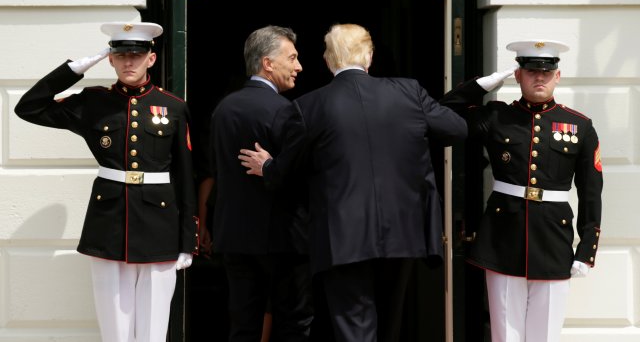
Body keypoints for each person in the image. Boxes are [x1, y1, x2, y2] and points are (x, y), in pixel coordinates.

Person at [238, 23, 468, 342]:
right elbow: (457, 129)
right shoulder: (409, 92)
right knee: (390, 325)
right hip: (402, 233)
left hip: (343, 237)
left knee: (354, 330)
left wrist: (267, 166)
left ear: (329, 60)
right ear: (369, 57)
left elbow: (286, 172)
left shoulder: (310, 106)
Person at [14, 22, 199, 342]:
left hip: (160, 227)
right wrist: (72, 70)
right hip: (109, 225)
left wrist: (188, 240)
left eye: (136, 56)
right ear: (110, 60)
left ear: (150, 59)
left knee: (154, 330)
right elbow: (28, 107)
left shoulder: (173, 107)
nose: (129, 62)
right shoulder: (92, 102)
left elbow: (185, 176)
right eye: (121, 55)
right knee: (114, 331)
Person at [439, 39, 603, 342]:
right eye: (530, 71)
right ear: (518, 76)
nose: (538, 77)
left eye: (546, 71)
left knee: (546, 335)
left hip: (553, 239)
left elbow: (591, 192)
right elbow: (444, 115)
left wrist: (587, 249)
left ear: (557, 76)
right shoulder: (497, 117)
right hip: (502, 237)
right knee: (505, 334)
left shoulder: (579, 126)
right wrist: (480, 85)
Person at [208, 25, 313, 342]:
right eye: (292, 58)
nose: (299, 67)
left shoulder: (222, 109)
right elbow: (300, 175)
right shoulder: (286, 111)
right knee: (294, 323)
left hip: (235, 237)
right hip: (283, 239)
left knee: (244, 325)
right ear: (268, 63)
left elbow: (217, 171)